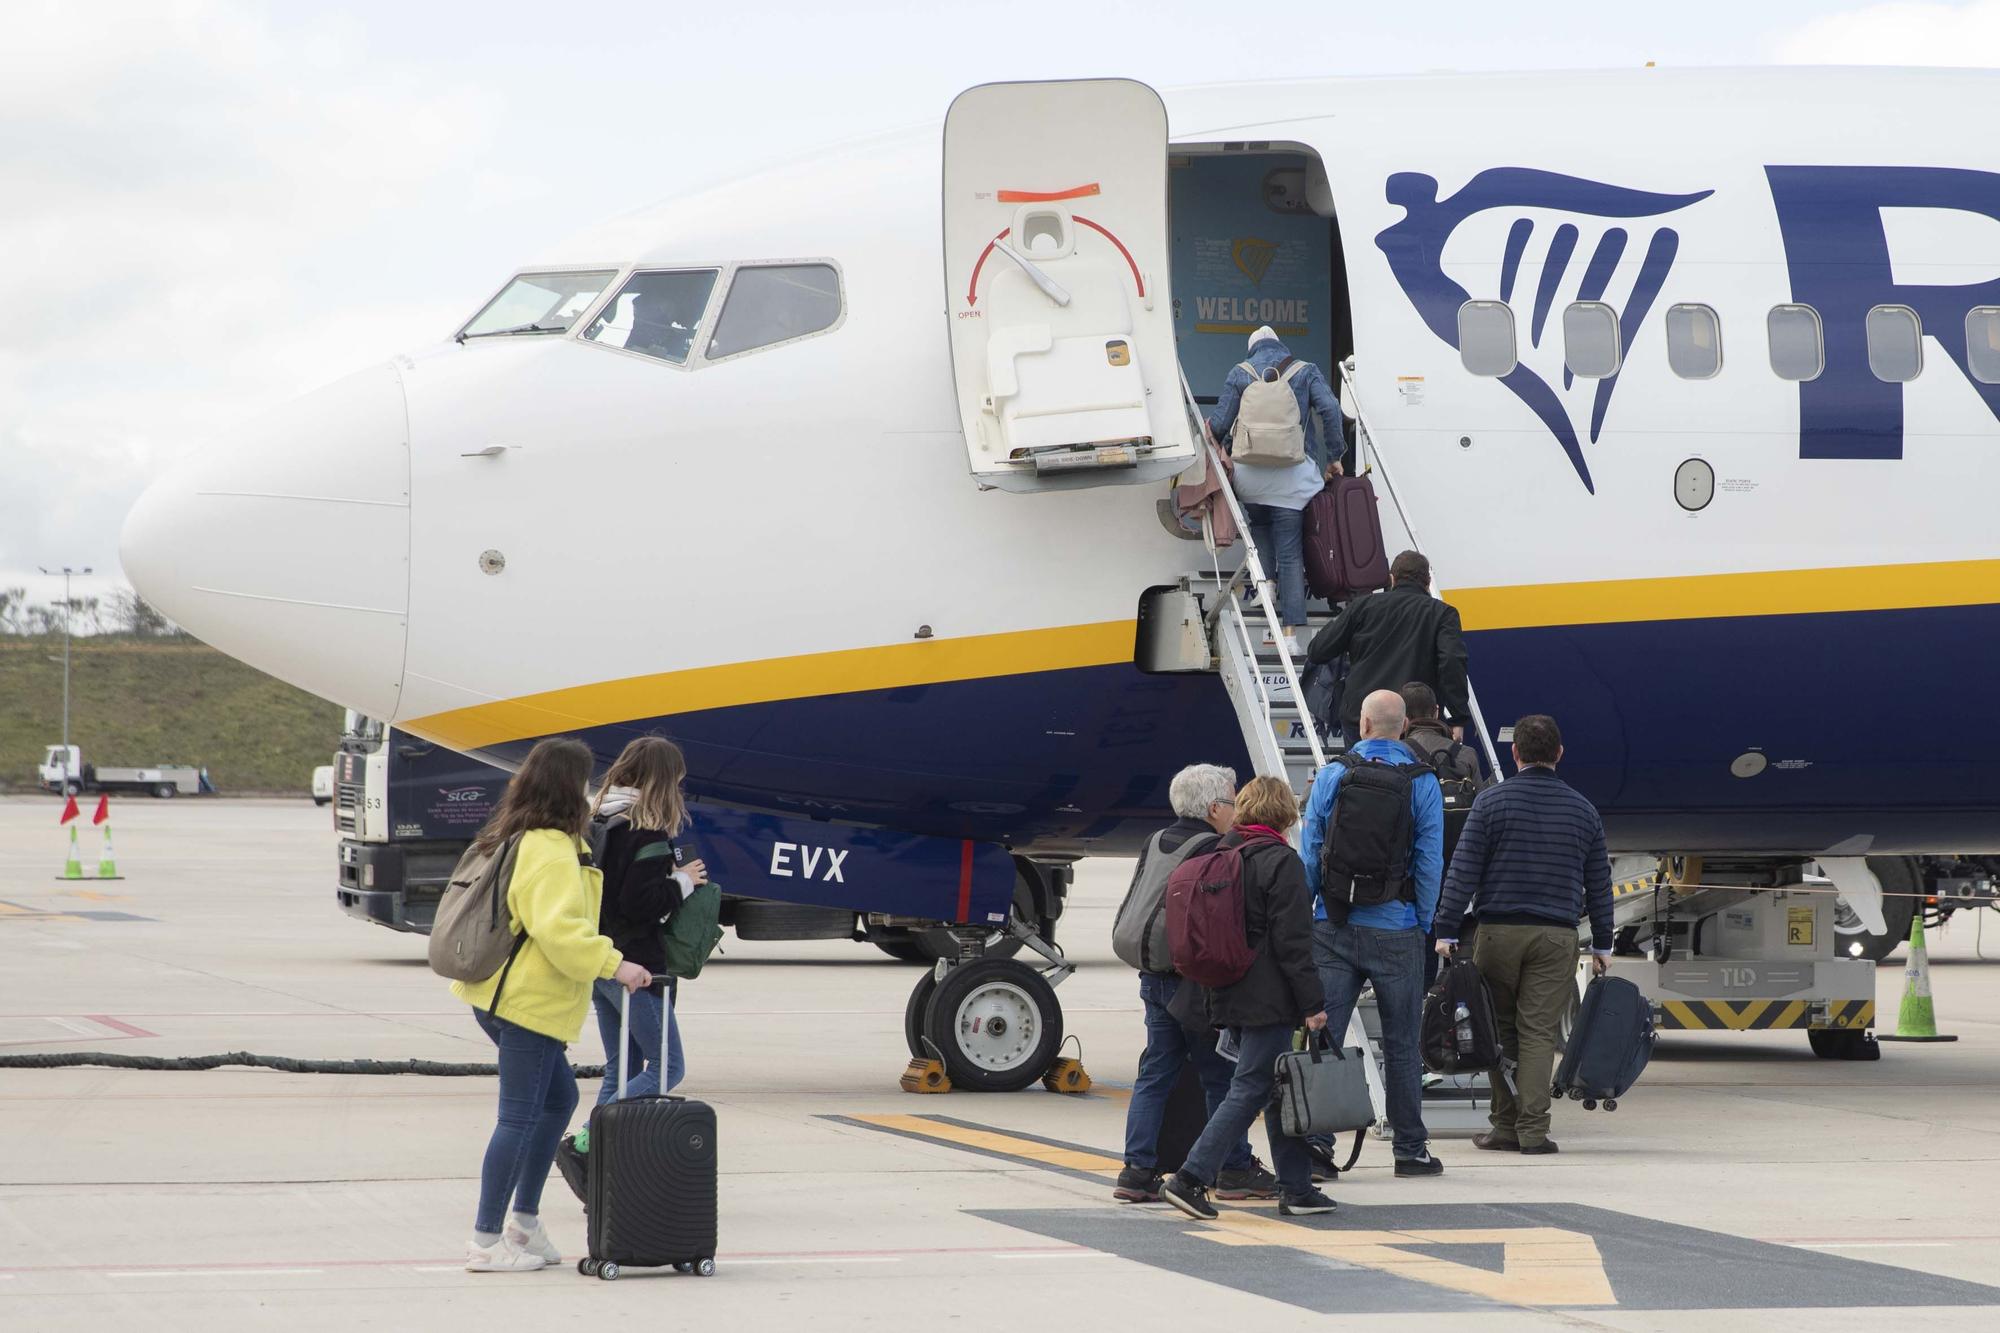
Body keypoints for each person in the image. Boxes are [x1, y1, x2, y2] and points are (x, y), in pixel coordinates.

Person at [450, 737, 653, 1272]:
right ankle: (487, 1240)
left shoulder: (518, 836)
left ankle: (525, 1221)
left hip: (503, 997)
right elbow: (559, 932)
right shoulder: (551, 850)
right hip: (528, 1003)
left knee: (558, 1099)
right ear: (570, 788)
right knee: (517, 1116)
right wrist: (618, 965)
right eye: (586, 783)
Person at [1432, 714, 1615, 1156]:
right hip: (1555, 936)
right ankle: (1533, 1132)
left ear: (1515, 754)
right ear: (1559, 754)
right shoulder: (1583, 810)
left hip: (1498, 933)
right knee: (1537, 1033)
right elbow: (1599, 884)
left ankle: (1505, 1126)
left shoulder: (1491, 804)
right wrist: (1604, 943)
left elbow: (1463, 870)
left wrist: (1446, 928)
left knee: (1499, 1030)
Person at [1161, 777, 1337, 1221]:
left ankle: (1296, 1187)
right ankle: (1191, 1178)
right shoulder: (1281, 861)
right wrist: (1314, 1005)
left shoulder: (1220, 853)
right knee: (1251, 1088)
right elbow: (1294, 944)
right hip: (1268, 998)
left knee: (1280, 1088)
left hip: (1222, 991)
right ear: (1284, 815)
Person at [1110, 764, 1279, 1203]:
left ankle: (1136, 1170)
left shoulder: (1155, 841)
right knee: (1219, 1075)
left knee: (1155, 1071)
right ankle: (1235, 1168)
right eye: (1232, 802)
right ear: (1213, 807)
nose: (1237, 810)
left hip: (1152, 975)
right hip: (1192, 984)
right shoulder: (1216, 848)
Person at [1298, 689, 1446, 1178]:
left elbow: (1312, 848)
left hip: (1334, 927)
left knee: (1326, 1037)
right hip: (1396, 927)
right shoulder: (1422, 783)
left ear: (1362, 725)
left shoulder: (1334, 774)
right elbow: (1429, 862)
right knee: (1402, 1044)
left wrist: (1316, 911)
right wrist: (1422, 924)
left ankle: (1317, 1148)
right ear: (1403, 728)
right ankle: (1409, 1150)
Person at [1207, 326, 1343, 653]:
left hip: (1250, 475)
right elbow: (1331, 410)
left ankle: (1264, 586)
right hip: (1293, 476)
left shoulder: (1241, 372)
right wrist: (1334, 456)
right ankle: (1291, 635)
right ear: (1281, 346)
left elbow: (1221, 423)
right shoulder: (1305, 370)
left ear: (1251, 348)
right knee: (1291, 552)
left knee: (1260, 530)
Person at [589, 736, 706, 1105]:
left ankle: (594, 1155)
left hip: (600, 959)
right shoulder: (646, 832)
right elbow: (640, 903)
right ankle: (587, 1138)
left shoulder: (598, 820)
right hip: (636, 965)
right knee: (667, 1067)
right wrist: (682, 881)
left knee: (621, 1070)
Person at [1306, 550, 1471, 748]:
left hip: (1363, 718)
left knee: (1361, 776)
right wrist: (1457, 718)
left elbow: (1318, 650)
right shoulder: (1443, 613)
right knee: (1414, 776)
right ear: (1427, 582)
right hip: (1415, 722)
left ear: (1392, 579)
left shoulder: (1362, 607)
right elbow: (1452, 663)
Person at [1399, 680, 1494, 984]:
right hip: (1458, 870)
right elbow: (1482, 811)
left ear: (1403, 717)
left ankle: (1423, 1001)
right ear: (1437, 712)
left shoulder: (1398, 753)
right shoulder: (1465, 755)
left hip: (1412, 870)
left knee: (1419, 951)